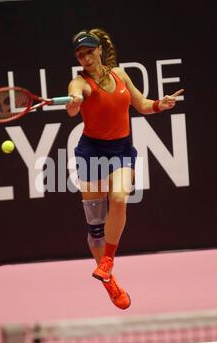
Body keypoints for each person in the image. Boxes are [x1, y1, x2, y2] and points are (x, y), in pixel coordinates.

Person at [66, 28, 183, 309]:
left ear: (99, 51)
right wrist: (75, 102)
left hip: (120, 150)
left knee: (119, 198)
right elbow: (73, 106)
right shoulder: (78, 82)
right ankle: (110, 283)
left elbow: (141, 105)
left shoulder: (121, 75)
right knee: (95, 228)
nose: (85, 58)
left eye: (88, 52)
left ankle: (107, 261)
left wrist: (160, 104)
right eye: (80, 55)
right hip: (91, 152)